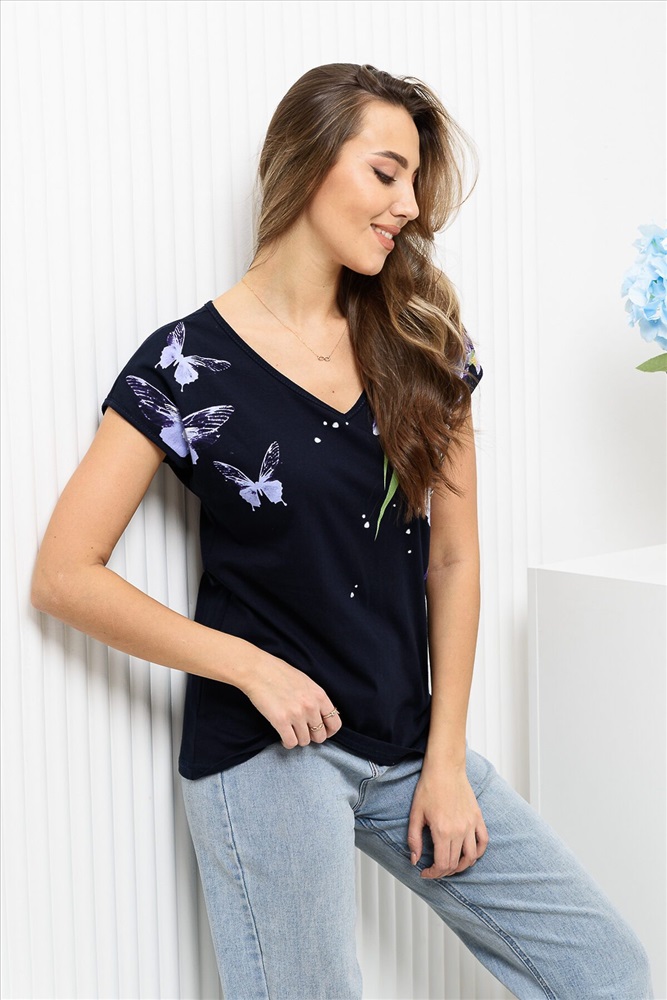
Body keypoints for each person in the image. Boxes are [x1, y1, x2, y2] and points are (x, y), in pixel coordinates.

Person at [31, 63, 652, 1000]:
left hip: (406, 740)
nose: (407, 206)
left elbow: (453, 556)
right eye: (385, 173)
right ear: (309, 160)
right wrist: (248, 667)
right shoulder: (183, 365)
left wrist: (446, 759)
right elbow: (64, 574)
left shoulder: (423, 342)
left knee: (605, 968)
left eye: (413, 183)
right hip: (268, 750)